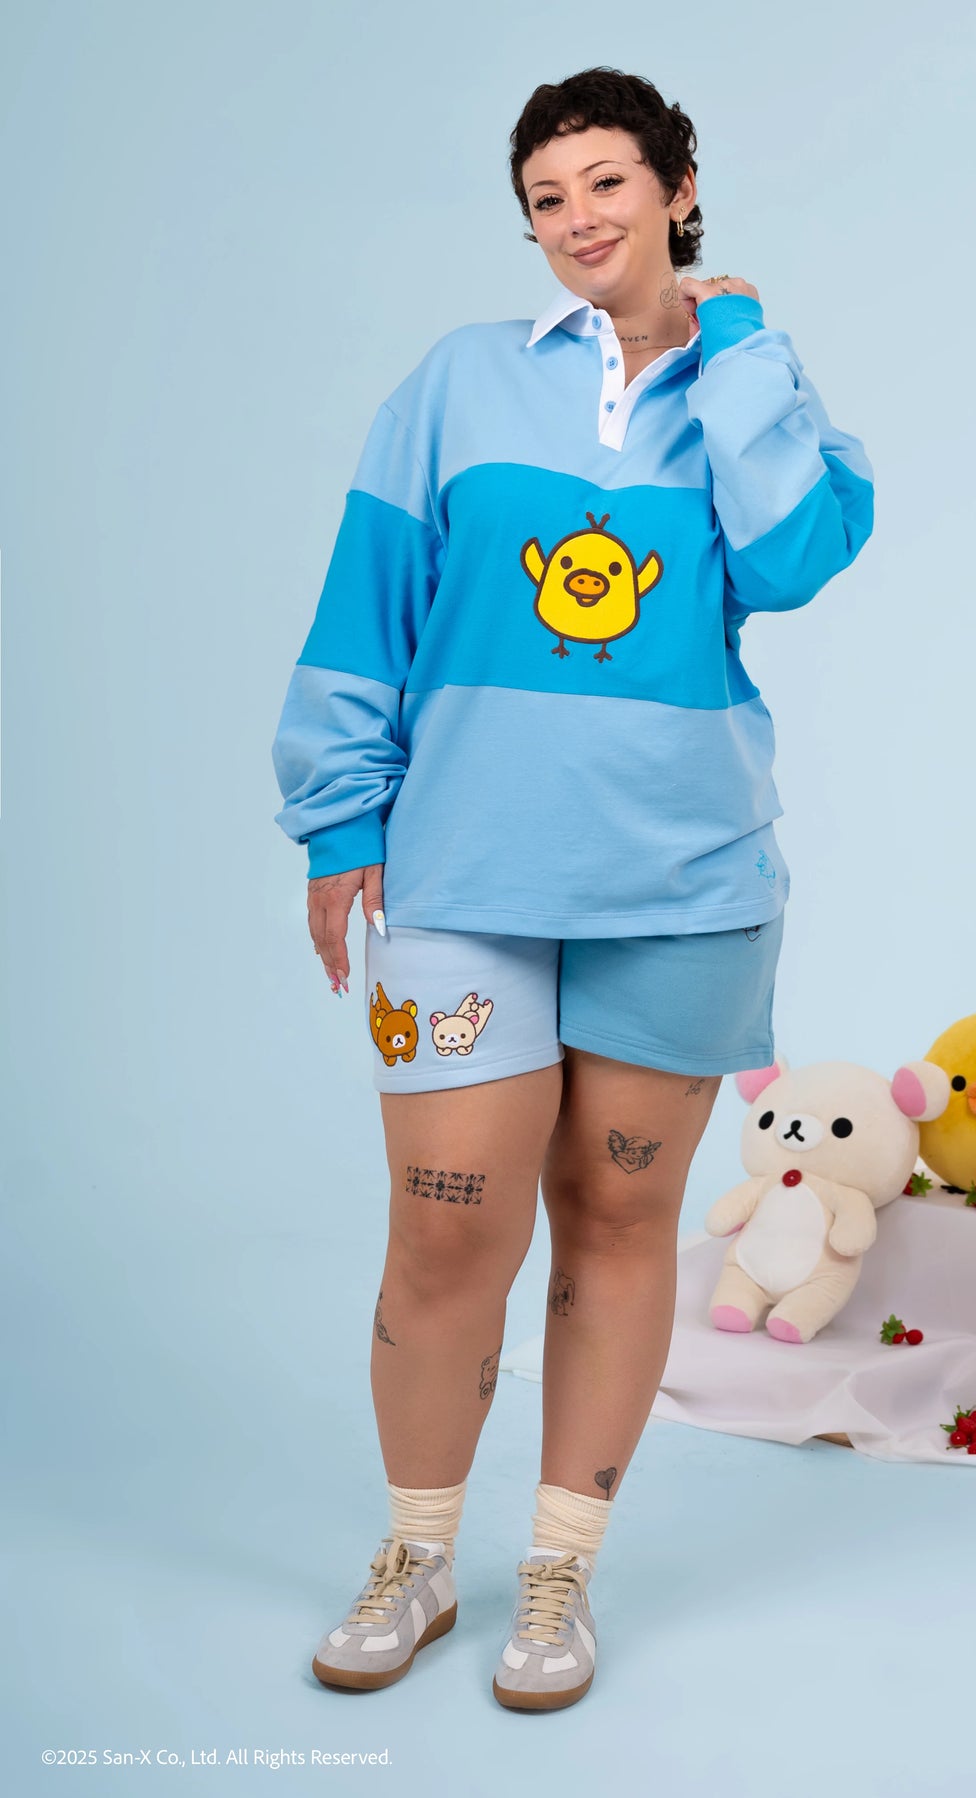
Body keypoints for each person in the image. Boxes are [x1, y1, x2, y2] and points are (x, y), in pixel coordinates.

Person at [270, 66, 874, 1712]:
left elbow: (796, 558)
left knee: (619, 1224)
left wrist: (735, 347)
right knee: (444, 1228)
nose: (578, 219)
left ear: (679, 188)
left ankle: (557, 1574)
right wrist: (337, 818)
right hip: (465, 874)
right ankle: (415, 1556)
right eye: (547, 198)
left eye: (608, 182)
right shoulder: (459, 384)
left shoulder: (752, 382)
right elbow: (368, 599)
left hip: (684, 881)